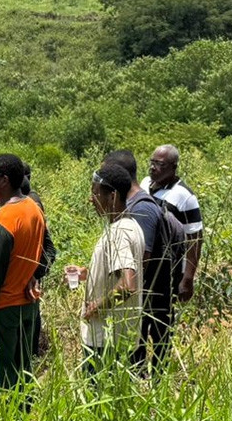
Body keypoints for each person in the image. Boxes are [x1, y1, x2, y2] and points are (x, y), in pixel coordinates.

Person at [0, 154, 46, 403]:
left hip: (3, 309)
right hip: (28, 305)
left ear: (4, 180)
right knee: (23, 369)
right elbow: (43, 254)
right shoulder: (34, 210)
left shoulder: (4, 219)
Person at [106, 150, 183, 371]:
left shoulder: (142, 209)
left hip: (150, 294)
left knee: (148, 346)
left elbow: (141, 261)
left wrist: (118, 291)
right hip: (143, 295)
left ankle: (153, 391)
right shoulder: (133, 204)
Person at [71, 163, 144, 377]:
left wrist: (98, 308)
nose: (91, 199)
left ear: (112, 196)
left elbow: (128, 285)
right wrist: (87, 273)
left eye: (95, 193)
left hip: (106, 339)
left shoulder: (119, 232)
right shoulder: (131, 225)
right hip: (123, 336)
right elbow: (120, 271)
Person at [144, 145, 202, 302]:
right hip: (144, 263)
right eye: (152, 162)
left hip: (168, 268)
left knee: (162, 315)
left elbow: (194, 240)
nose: (153, 167)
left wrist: (188, 279)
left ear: (174, 167)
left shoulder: (184, 196)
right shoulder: (144, 184)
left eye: (160, 164)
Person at [20, 165, 57, 359]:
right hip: (29, 273)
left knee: (31, 316)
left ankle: (32, 356)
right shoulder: (29, 201)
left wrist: (34, 274)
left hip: (30, 274)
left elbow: (48, 248)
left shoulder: (32, 203)